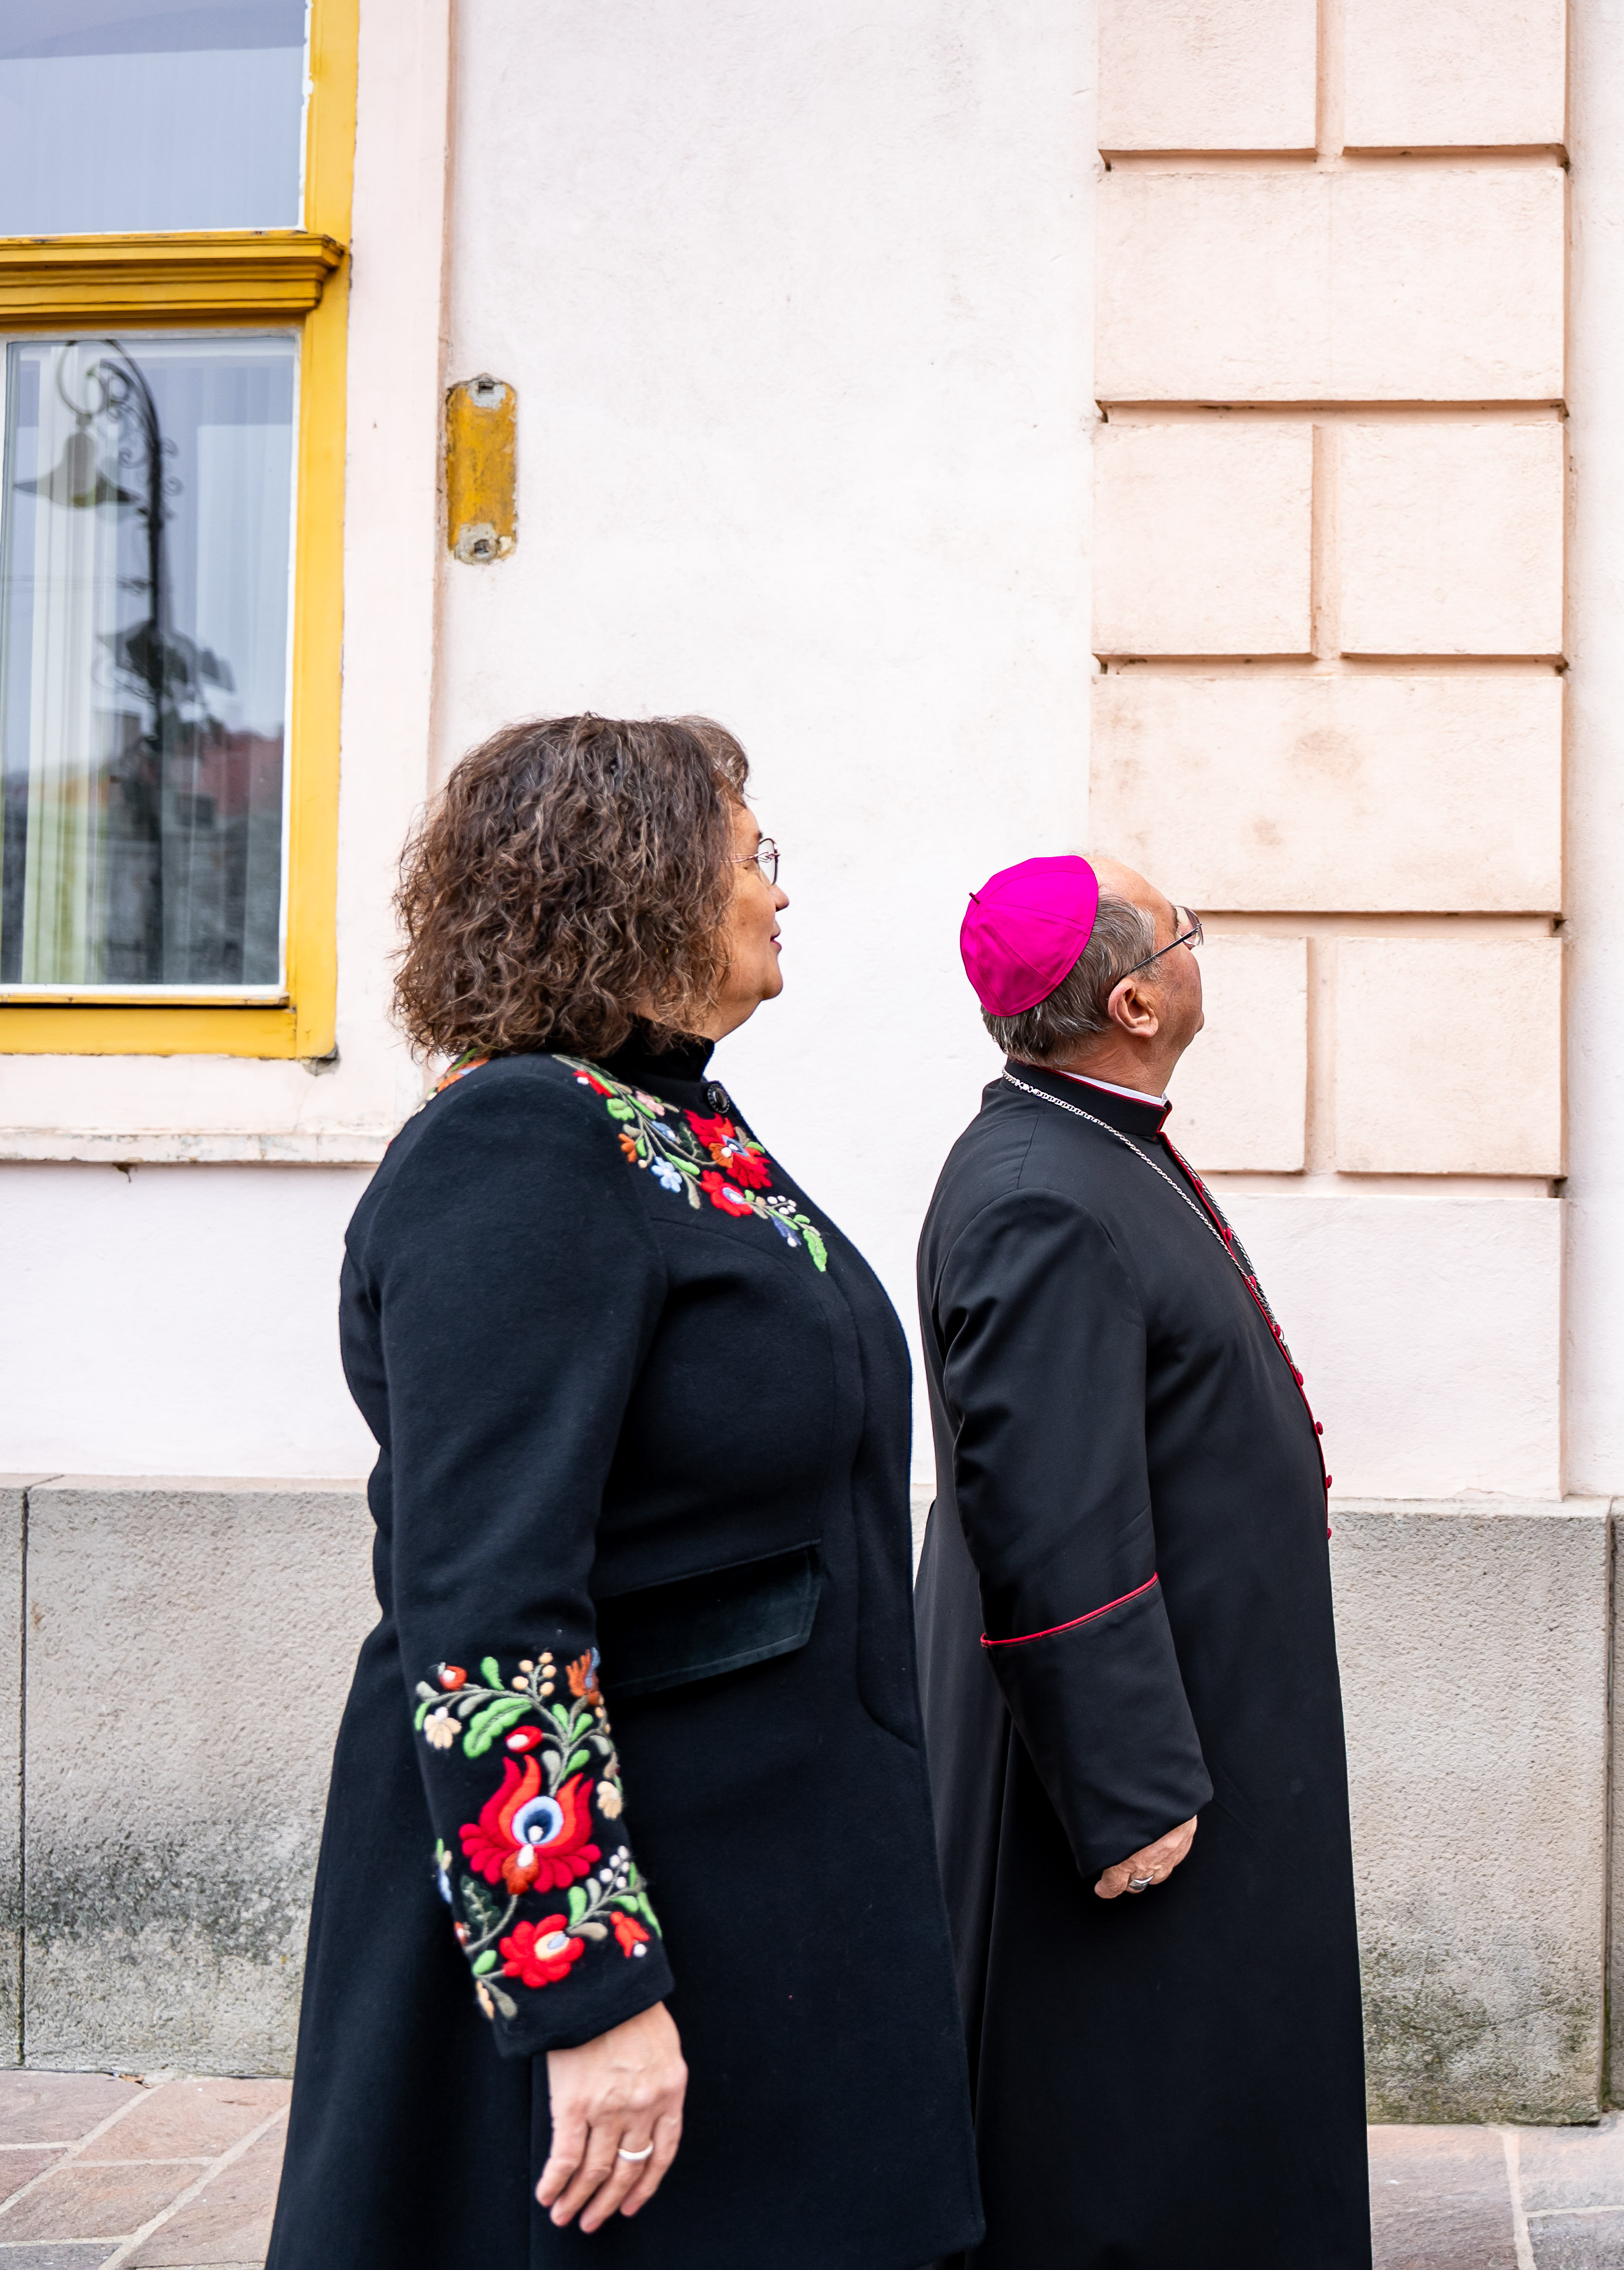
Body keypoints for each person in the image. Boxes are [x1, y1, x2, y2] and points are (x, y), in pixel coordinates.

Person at [269, 716, 982, 2268]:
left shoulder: (675, 1129)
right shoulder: (520, 1143)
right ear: (641, 885)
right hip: (631, 1905)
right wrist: (583, 1989)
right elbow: (483, 1592)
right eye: (751, 855)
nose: (777, 894)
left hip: (763, 1870)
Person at [913, 853, 1369, 2269]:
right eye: (1185, 934)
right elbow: (1047, 1508)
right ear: (1134, 999)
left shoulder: (1088, 1139)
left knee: (1195, 2093)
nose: (1197, 948)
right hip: (1122, 1762)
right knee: (1116, 2117)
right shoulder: (1044, 1189)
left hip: (1200, 1698)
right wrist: (1124, 1790)